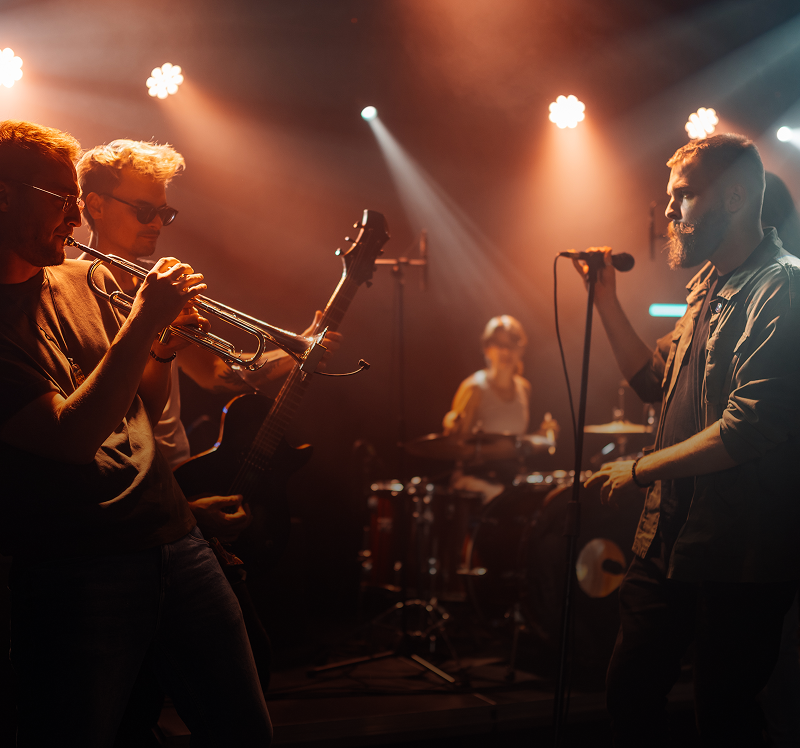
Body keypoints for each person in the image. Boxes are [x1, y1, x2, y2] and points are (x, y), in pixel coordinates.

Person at [0, 120, 272, 746]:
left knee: (245, 732)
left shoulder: (79, 278)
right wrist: (146, 318)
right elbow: (70, 437)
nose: (74, 218)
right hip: (76, 566)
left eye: (76, 198)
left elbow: (139, 403)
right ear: (4, 196)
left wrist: (165, 346)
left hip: (175, 539)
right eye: (58, 199)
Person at [574, 133, 800, 747]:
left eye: (683, 195)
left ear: (732, 195)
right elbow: (653, 382)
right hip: (664, 540)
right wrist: (605, 301)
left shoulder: (781, 287)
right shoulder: (704, 287)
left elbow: (749, 425)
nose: (670, 210)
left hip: (738, 553)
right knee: (628, 693)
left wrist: (642, 469)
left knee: (723, 715)